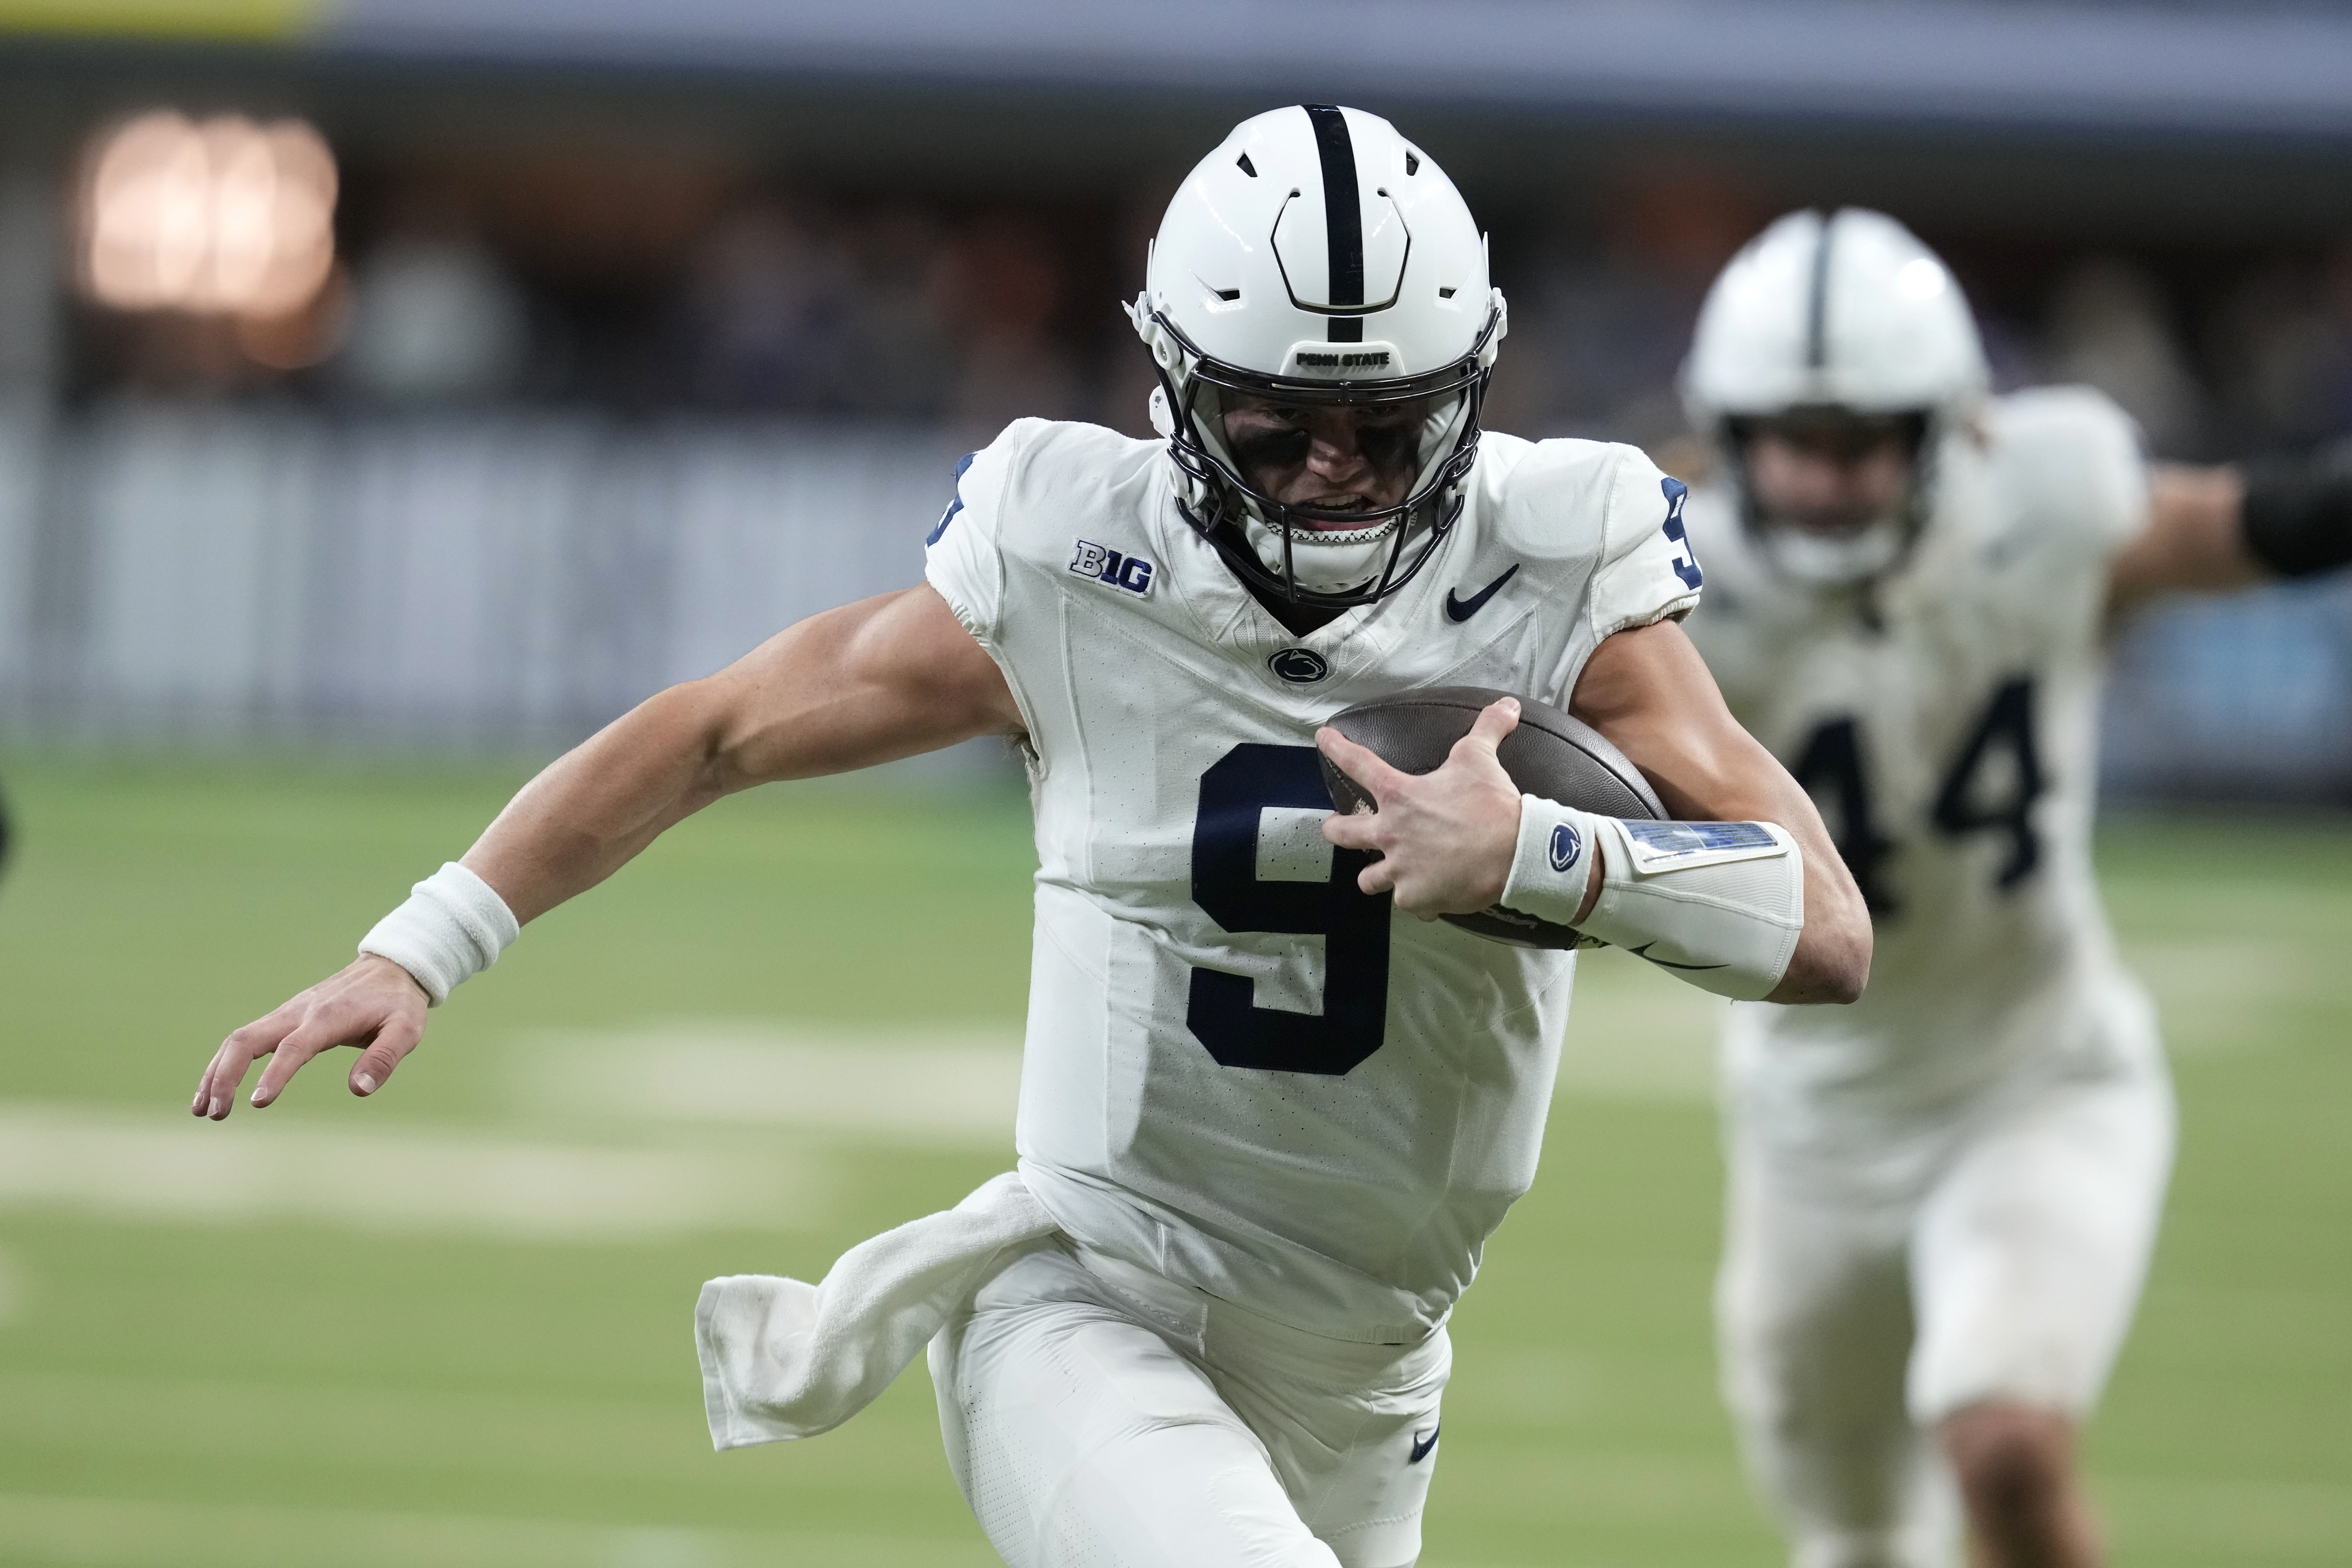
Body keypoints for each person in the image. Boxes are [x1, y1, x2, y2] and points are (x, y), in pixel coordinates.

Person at [192, 107, 1870, 1568]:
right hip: (1091, 1297)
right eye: (1281, 426)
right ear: (1175, 391)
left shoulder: (1555, 566)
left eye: (1391, 426)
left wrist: (1534, 858)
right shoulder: (1078, 557)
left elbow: (1824, 933)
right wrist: (422, 943)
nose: (1336, 475)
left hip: (1372, 1360)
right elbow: (714, 731)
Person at [1674, 208, 2352, 1568]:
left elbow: (2242, 526)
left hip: (2033, 1075)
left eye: (1862, 440)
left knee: (2007, 1445)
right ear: (1728, 434)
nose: (1823, 481)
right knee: (1856, 1538)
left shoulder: (2046, 506)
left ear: (1948, 430)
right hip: (1811, 1125)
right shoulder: (1668, 573)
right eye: (1793, 440)